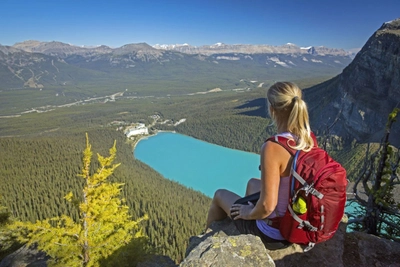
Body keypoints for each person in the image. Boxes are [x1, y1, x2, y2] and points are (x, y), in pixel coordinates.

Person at [205, 81, 314, 250]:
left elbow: (267, 206)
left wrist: (247, 213)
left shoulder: (273, 147)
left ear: (272, 109)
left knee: (219, 195)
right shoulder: (307, 139)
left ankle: (205, 240)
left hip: (274, 234)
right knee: (252, 183)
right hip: (297, 221)